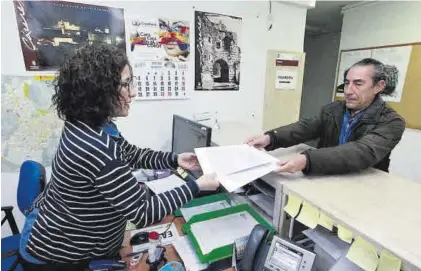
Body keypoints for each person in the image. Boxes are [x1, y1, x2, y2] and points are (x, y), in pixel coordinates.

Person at [19, 43, 219, 270]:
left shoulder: (91, 124)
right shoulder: (96, 147)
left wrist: (174, 159)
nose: (133, 92)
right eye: (125, 85)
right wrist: (196, 186)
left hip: (59, 230)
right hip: (58, 255)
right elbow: (143, 213)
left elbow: (130, 153)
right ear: (98, 91)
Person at [246, 58, 405, 175]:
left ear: (379, 86)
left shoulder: (391, 122)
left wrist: (307, 160)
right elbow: (306, 127)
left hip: (362, 185)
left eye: (358, 83)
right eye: (346, 83)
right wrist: (271, 138)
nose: (348, 91)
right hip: (327, 175)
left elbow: (362, 152)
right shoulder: (333, 109)